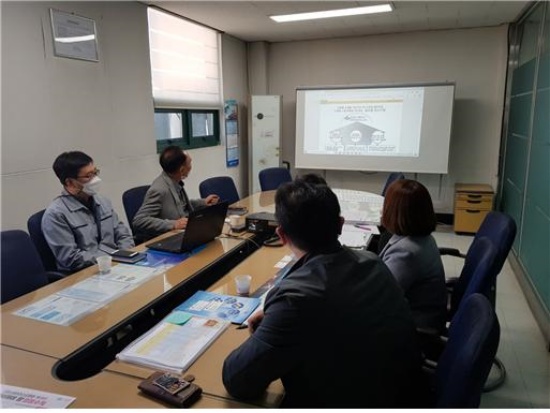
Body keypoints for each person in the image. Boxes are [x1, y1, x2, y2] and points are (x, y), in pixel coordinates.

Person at [222, 179, 426, 408]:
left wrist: (272, 325)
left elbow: (238, 380)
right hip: (402, 393)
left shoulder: (294, 300)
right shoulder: (374, 262)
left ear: (281, 235)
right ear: (340, 224)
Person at [42, 151, 134, 273]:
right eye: (88, 176)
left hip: (117, 264)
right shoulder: (55, 215)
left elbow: (123, 234)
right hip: (84, 273)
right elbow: (71, 258)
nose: (95, 179)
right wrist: (109, 258)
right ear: (69, 182)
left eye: (95, 173)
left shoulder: (103, 201)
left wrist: (125, 254)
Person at [379, 179, 447, 333]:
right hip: (423, 315)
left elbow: (380, 296)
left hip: (412, 329)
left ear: (394, 212)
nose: (382, 210)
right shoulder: (423, 238)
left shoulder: (406, 253)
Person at [132, 146, 219, 240]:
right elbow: (139, 220)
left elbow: (179, 206)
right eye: (189, 163)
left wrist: (203, 202)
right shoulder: (158, 190)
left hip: (186, 233)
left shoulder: (174, 181)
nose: (191, 166)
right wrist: (173, 224)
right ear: (181, 170)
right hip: (169, 239)